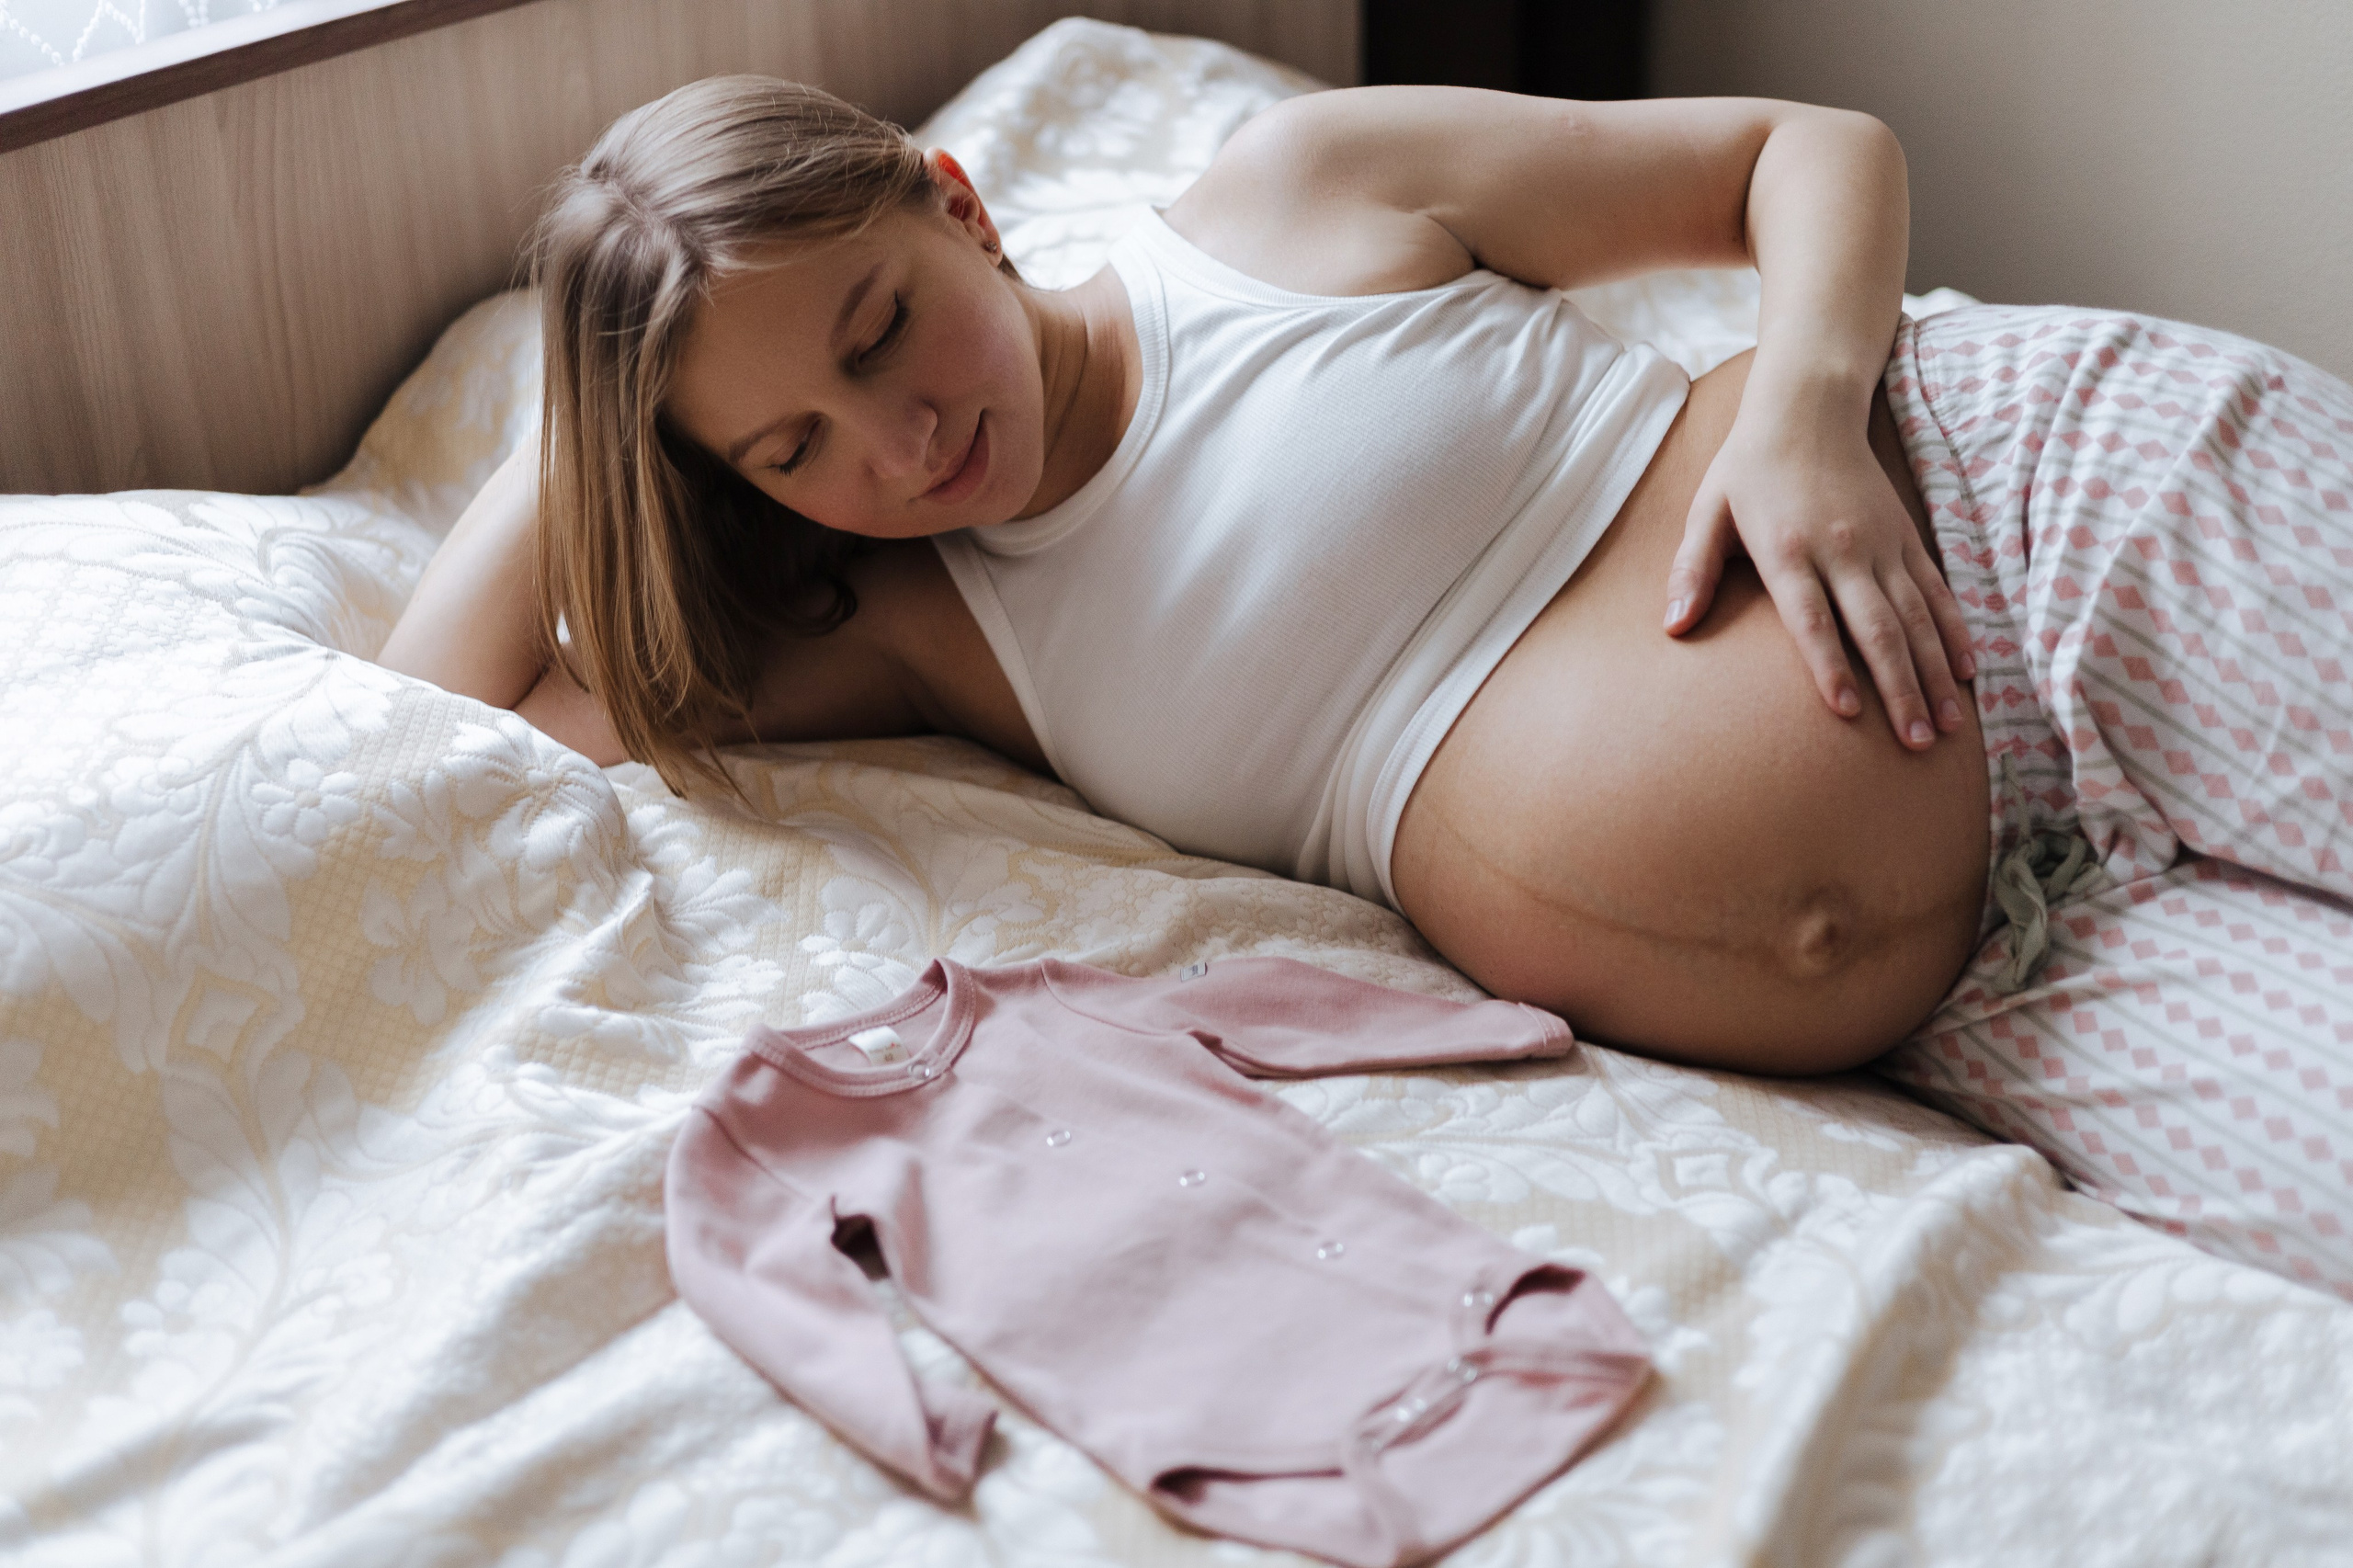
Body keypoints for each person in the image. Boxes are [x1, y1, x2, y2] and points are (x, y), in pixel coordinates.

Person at [378, 77, 2353, 1292]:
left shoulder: (1281, 200)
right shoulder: (928, 628)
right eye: (795, 447)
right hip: (2010, 973)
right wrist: (612, 388)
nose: (893, 447)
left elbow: (1798, 149)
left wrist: (1811, 414)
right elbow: (459, 698)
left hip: (2030, 522)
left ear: (958, 201)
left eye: (885, 330)